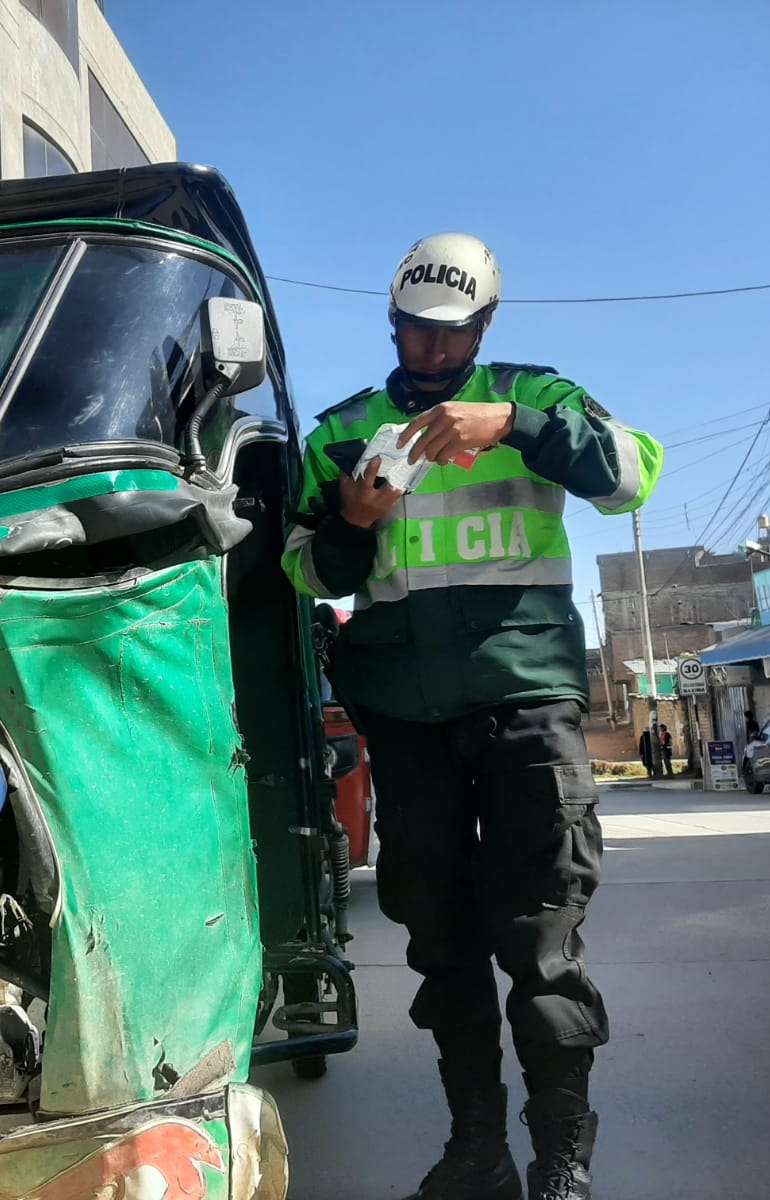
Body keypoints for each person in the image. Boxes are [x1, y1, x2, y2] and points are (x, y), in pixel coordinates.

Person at [281, 233, 664, 1200]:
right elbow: (304, 570)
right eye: (413, 330)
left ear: (484, 325)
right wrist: (352, 524)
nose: (430, 349)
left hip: (527, 697)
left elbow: (632, 477)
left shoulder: (534, 397)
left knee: (540, 943)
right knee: (442, 944)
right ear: (393, 321)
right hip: (409, 719)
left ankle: (562, 1164)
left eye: (451, 334)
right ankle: (477, 1152)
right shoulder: (340, 434)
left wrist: (521, 426)